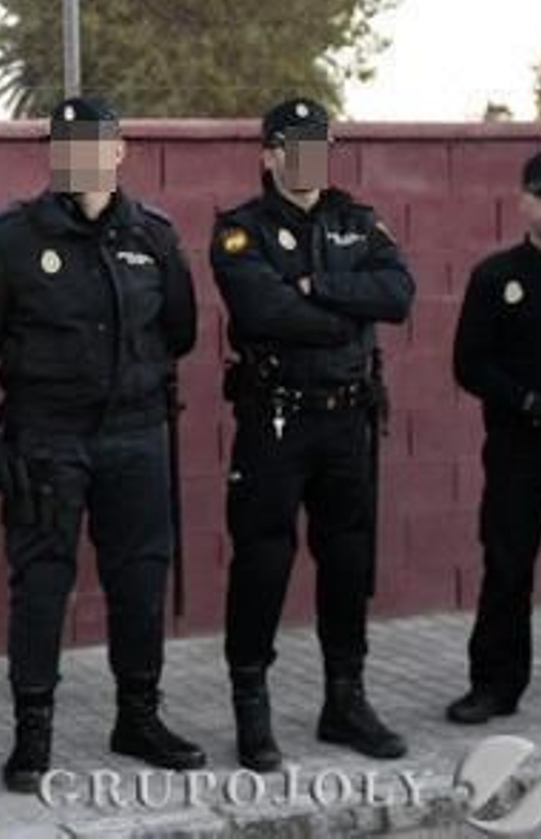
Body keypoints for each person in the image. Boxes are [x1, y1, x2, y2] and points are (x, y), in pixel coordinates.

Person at [0, 96, 203, 795]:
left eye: (98, 143)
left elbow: (180, 330)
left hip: (135, 436)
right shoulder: (9, 240)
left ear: (119, 152)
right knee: (41, 588)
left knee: (140, 581)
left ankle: (138, 717)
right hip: (46, 442)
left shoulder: (154, 235)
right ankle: (33, 734)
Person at [210, 97, 415, 770]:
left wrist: (315, 284)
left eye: (319, 143)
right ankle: (252, 706)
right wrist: (344, 309)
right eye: (294, 144)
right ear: (269, 154)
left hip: (347, 417)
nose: (308, 157)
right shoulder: (241, 230)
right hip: (277, 419)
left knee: (349, 560)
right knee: (264, 558)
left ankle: (344, 700)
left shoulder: (356, 219)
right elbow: (263, 309)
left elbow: (399, 293)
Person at [446, 149, 541, 725]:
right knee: (508, 565)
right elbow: (468, 364)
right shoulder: (496, 276)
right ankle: (493, 685)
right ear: (523, 202)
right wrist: (526, 399)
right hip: (520, 444)